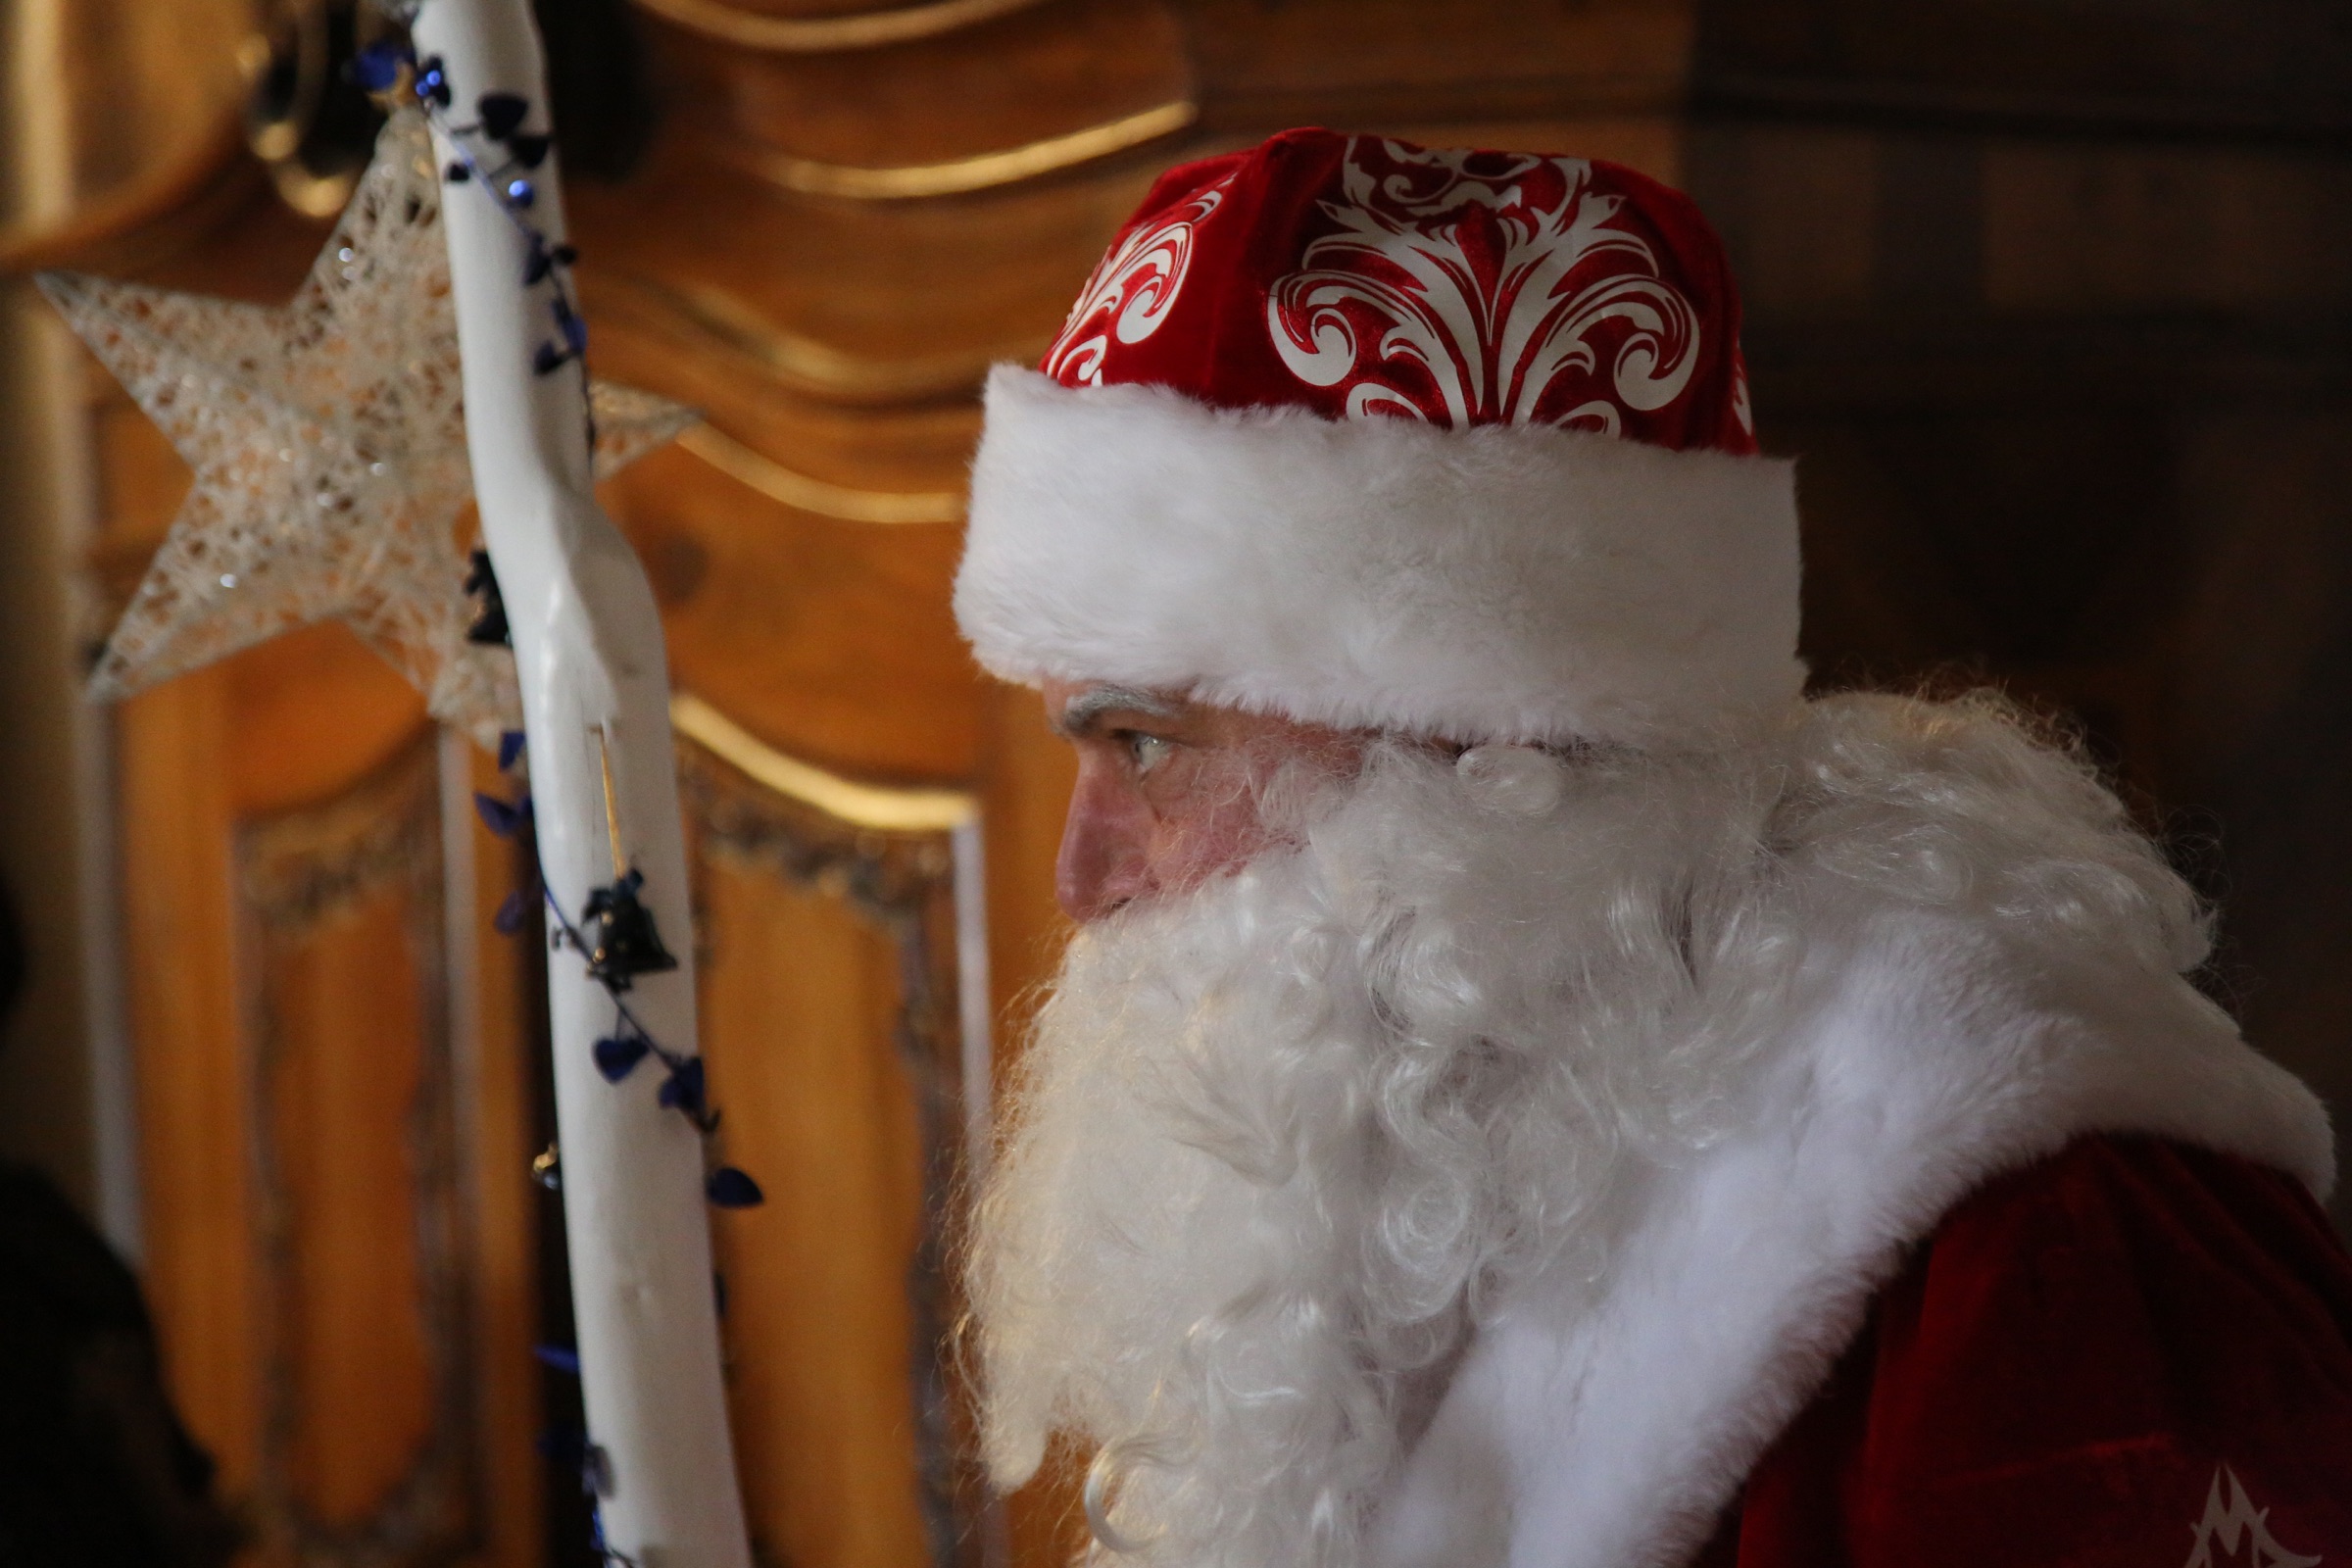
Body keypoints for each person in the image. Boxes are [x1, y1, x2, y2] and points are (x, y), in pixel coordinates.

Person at [953, 130, 2352, 1568]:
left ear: (1469, 742)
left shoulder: (2051, 1232)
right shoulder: (1424, 1155)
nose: (1084, 878)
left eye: (1144, 745)